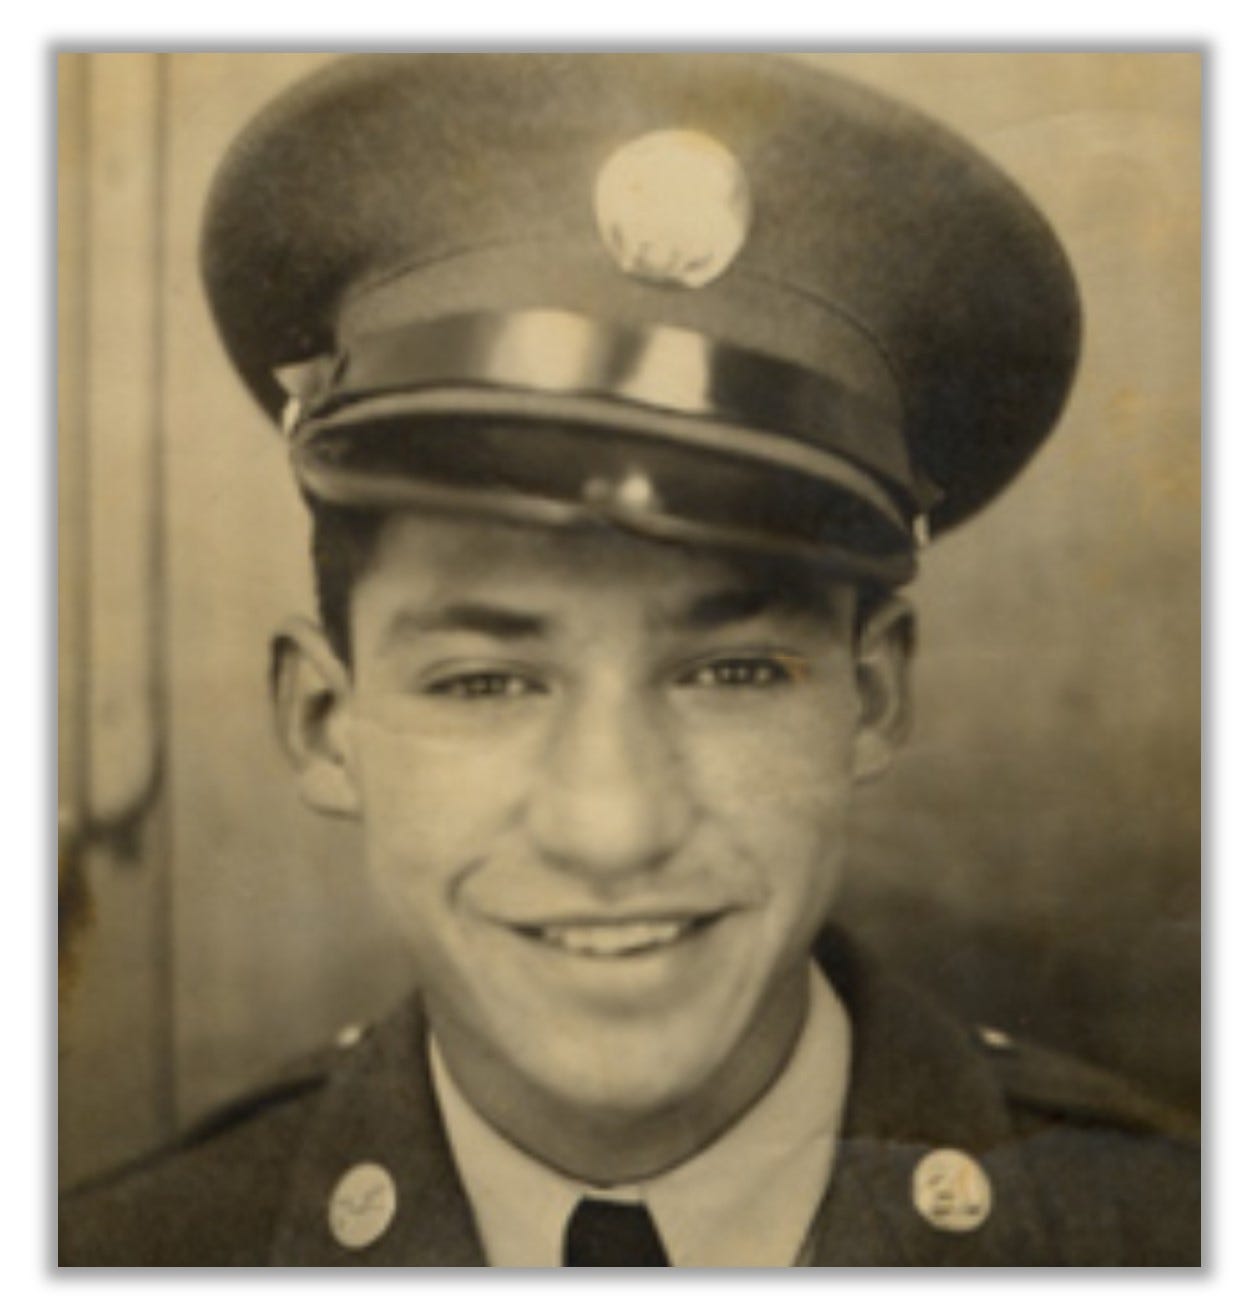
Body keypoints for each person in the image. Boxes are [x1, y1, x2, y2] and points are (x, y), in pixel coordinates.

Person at [59, 52, 1199, 1267]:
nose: (613, 828)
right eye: (485, 683)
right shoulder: (141, 1259)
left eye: (733, 671)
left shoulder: (1161, 1243)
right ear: (326, 724)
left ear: (872, 696)